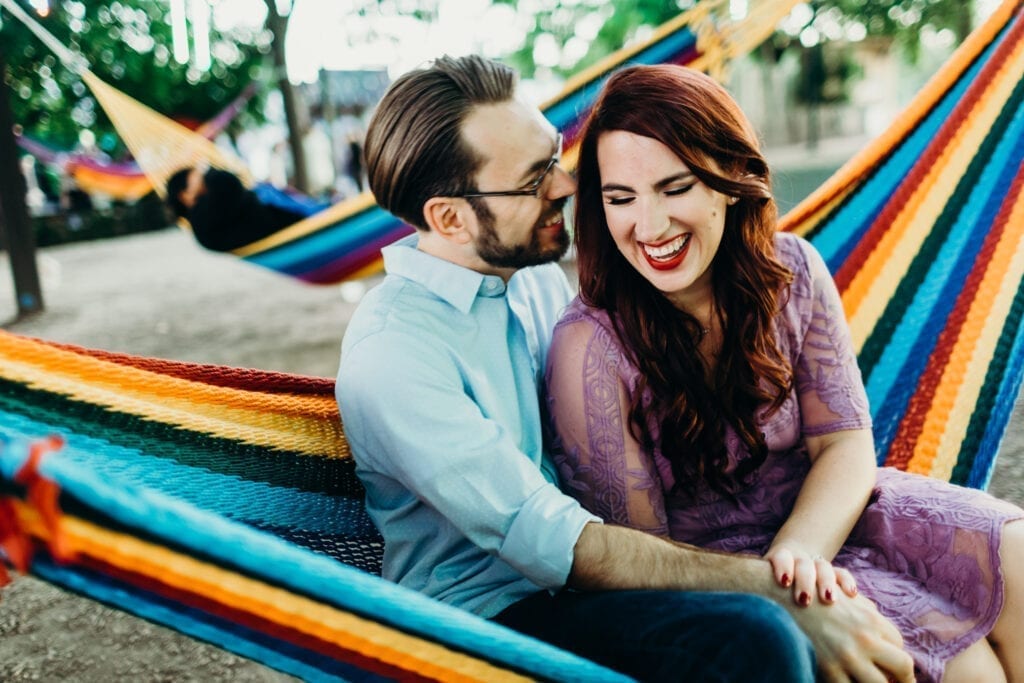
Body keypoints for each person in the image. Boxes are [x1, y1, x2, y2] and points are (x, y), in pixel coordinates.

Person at [336, 54, 915, 682]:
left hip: (591, 582)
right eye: (534, 180)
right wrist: (777, 589)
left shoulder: (532, 285)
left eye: (555, 156)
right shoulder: (394, 356)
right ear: (450, 218)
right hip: (490, 622)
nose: (564, 185)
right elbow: (559, 543)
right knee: (754, 638)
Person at [544, 63, 1024, 682]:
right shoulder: (591, 346)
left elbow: (845, 445)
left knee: (1018, 559)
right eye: (620, 199)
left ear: (726, 179)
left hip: (826, 520)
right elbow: (647, 565)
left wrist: (798, 556)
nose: (650, 225)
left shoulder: (790, 268)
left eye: (675, 187)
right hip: (717, 571)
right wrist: (784, 588)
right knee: (969, 671)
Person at [165, 166, 307, 252]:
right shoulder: (201, 217)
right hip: (293, 227)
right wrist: (209, 173)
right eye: (198, 179)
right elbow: (228, 182)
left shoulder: (203, 218)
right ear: (184, 195)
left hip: (291, 227)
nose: (204, 179)